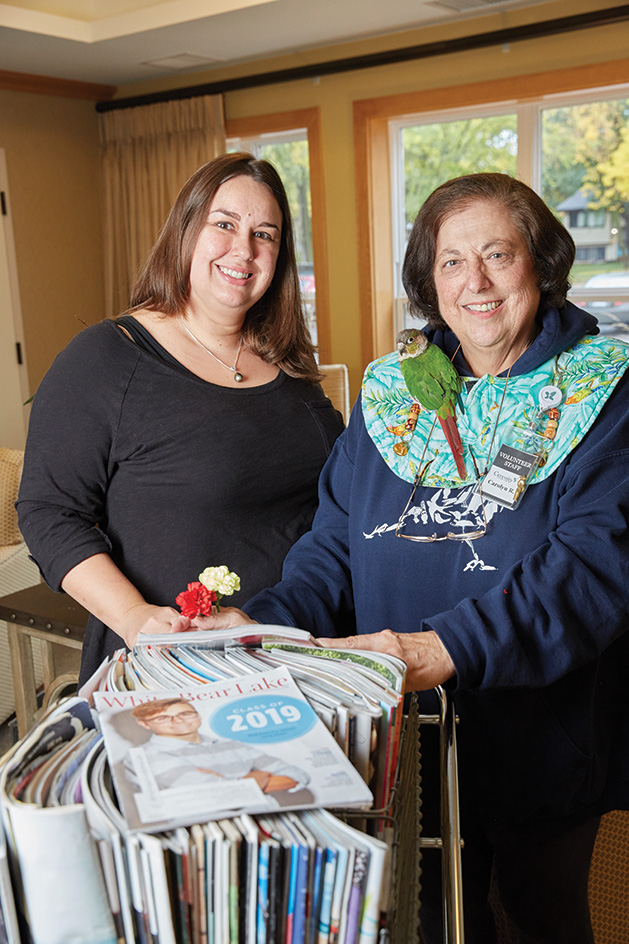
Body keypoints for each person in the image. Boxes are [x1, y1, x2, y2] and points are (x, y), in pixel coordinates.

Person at [205, 173, 629, 943]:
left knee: (541, 916)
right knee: (426, 913)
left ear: (540, 264)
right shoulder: (391, 394)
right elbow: (334, 546)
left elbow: (590, 570)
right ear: (428, 286)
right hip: (402, 736)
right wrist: (262, 627)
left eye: (498, 254)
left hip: (543, 738)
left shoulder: (606, 393)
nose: (476, 282)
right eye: (451, 263)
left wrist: (439, 648)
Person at [17, 152, 343, 687]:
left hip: (290, 658)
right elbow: (49, 512)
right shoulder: (107, 358)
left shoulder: (289, 364)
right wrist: (130, 616)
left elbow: (338, 496)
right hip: (171, 666)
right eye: (224, 224)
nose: (245, 249)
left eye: (266, 234)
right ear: (186, 229)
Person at [124, 697, 310, 794]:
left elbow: (296, 775)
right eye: (163, 718)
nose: (178, 721)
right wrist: (258, 775)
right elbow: (214, 792)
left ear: (198, 716)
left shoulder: (231, 745)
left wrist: (238, 783)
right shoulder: (148, 755)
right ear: (145, 724)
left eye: (186, 714)